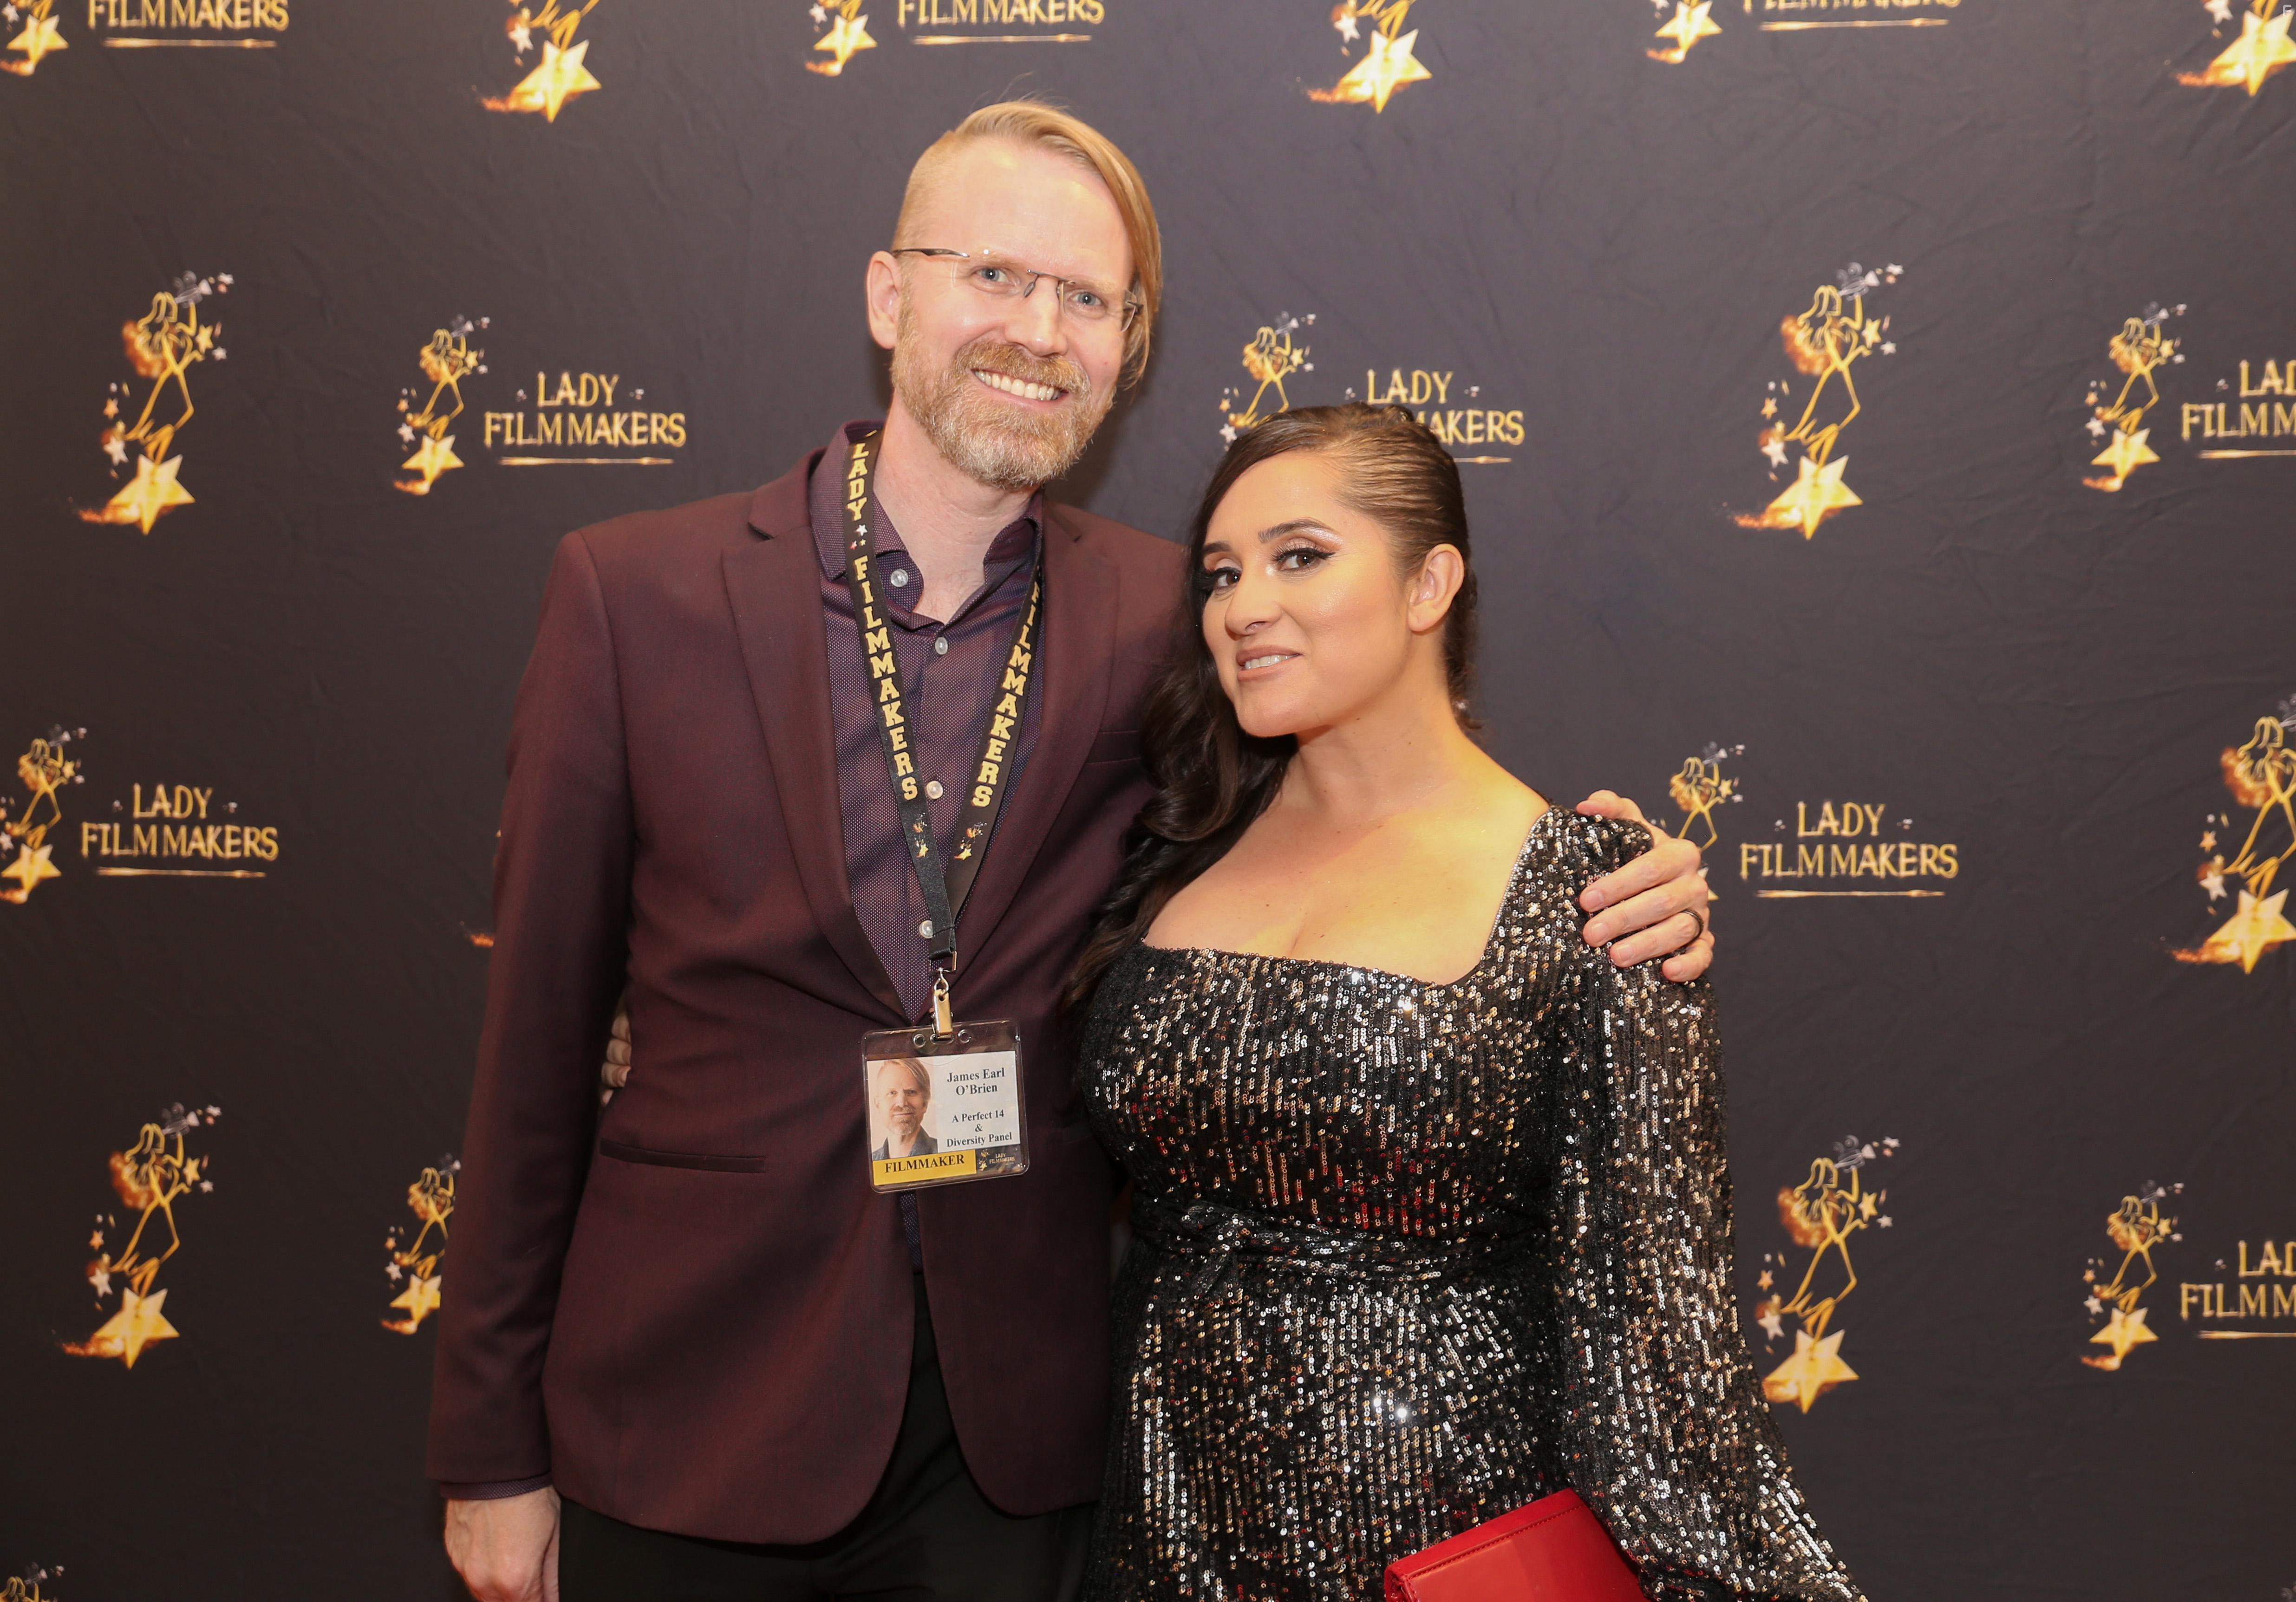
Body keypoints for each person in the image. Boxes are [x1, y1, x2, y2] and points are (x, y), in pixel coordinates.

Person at [431, 102, 1715, 1602]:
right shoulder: (634, 597)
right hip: (690, 1416)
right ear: (888, 295)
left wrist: (1592, 870)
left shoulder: (1186, 619)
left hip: (1018, 1449)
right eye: (992, 275)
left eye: (1085, 298)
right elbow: (531, 1059)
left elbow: (1363, 811)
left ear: (1128, 344)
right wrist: (489, 1449)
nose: (1036, 330)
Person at [1068, 404, 1860, 1602]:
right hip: (1163, 1524)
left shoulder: (1596, 897)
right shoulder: (1175, 843)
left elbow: (1664, 1351)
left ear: (1430, 581)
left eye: (1300, 554)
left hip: (1441, 1533)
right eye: (1222, 573)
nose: (1242, 605)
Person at [868, 1057, 939, 1162]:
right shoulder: (869, 1163)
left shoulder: (947, 1153)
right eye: (892, 1093)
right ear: (878, 1103)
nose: (901, 1103)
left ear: (925, 1103)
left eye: (911, 1092)